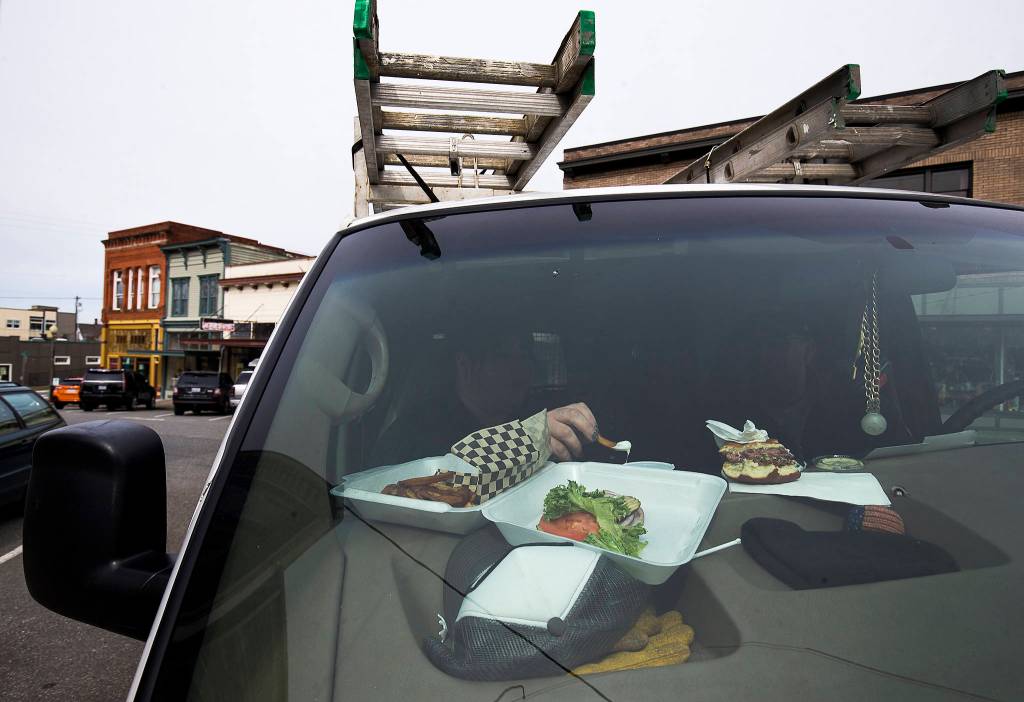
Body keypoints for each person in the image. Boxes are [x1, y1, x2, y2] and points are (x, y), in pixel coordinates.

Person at [368, 329, 600, 467]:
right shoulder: (415, 430)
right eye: (505, 356)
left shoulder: (536, 415)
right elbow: (444, 483)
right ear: (465, 364)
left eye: (525, 356)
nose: (521, 369)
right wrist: (526, 440)